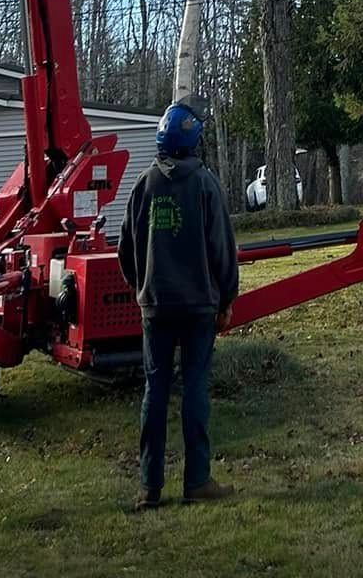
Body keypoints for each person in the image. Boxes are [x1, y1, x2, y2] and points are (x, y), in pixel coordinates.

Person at [123, 99, 239, 509]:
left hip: (155, 307)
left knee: (154, 390)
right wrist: (227, 297)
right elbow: (223, 248)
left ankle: (149, 487)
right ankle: (197, 480)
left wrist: (143, 287)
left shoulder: (144, 185)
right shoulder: (206, 185)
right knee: (194, 388)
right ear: (194, 141)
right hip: (198, 309)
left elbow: (126, 247)